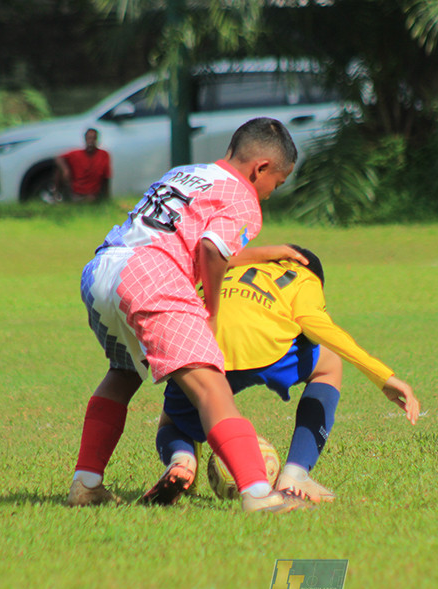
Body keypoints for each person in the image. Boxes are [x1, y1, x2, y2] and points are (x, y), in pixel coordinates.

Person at [68, 117, 312, 513]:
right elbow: (213, 252)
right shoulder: (243, 198)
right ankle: (257, 493)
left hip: (104, 271)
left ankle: (86, 483)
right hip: (151, 278)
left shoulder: (188, 173)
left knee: (124, 372)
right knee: (211, 387)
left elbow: (192, 241)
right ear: (261, 169)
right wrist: (212, 312)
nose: (268, 194)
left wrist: (262, 252)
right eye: (276, 184)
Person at [140, 245, 422, 505]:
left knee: (173, 420)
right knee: (329, 365)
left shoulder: (228, 267)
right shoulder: (303, 276)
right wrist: (383, 376)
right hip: (266, 348)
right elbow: (317, 325)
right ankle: (296, 474)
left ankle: (181, 459)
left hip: (202, 345)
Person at [54, 128, 111, 202]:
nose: (91, 141)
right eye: (89, 138)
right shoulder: (76, 154)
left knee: (90, 199)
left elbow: (106, 177)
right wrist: (65, 170)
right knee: (59, 170)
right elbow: (59, 158)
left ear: (97, 140)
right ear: (85, 139)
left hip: (92, 193)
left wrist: (106, 196)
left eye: (94, 138)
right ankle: (56, 195)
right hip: (75, 189)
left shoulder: (103, 154)